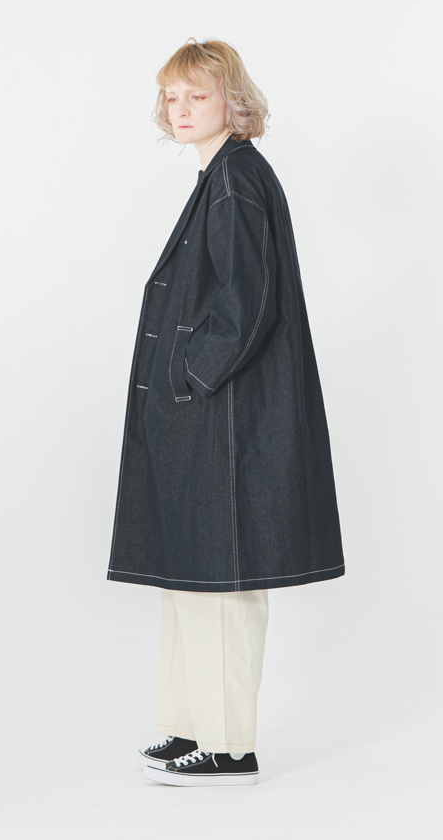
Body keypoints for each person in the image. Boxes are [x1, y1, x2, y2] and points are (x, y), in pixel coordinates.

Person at [107, 39, 344, 787]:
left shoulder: (237, 179)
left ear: (232, 101)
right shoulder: (221, 176)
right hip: (206, 418)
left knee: (222, 584)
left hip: (225, 419)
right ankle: (188, 727)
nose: (180, 110)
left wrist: (189, 378)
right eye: (171, 97)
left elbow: (248, 303)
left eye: (197, 95)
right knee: (191, 577)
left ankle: (229, 746)